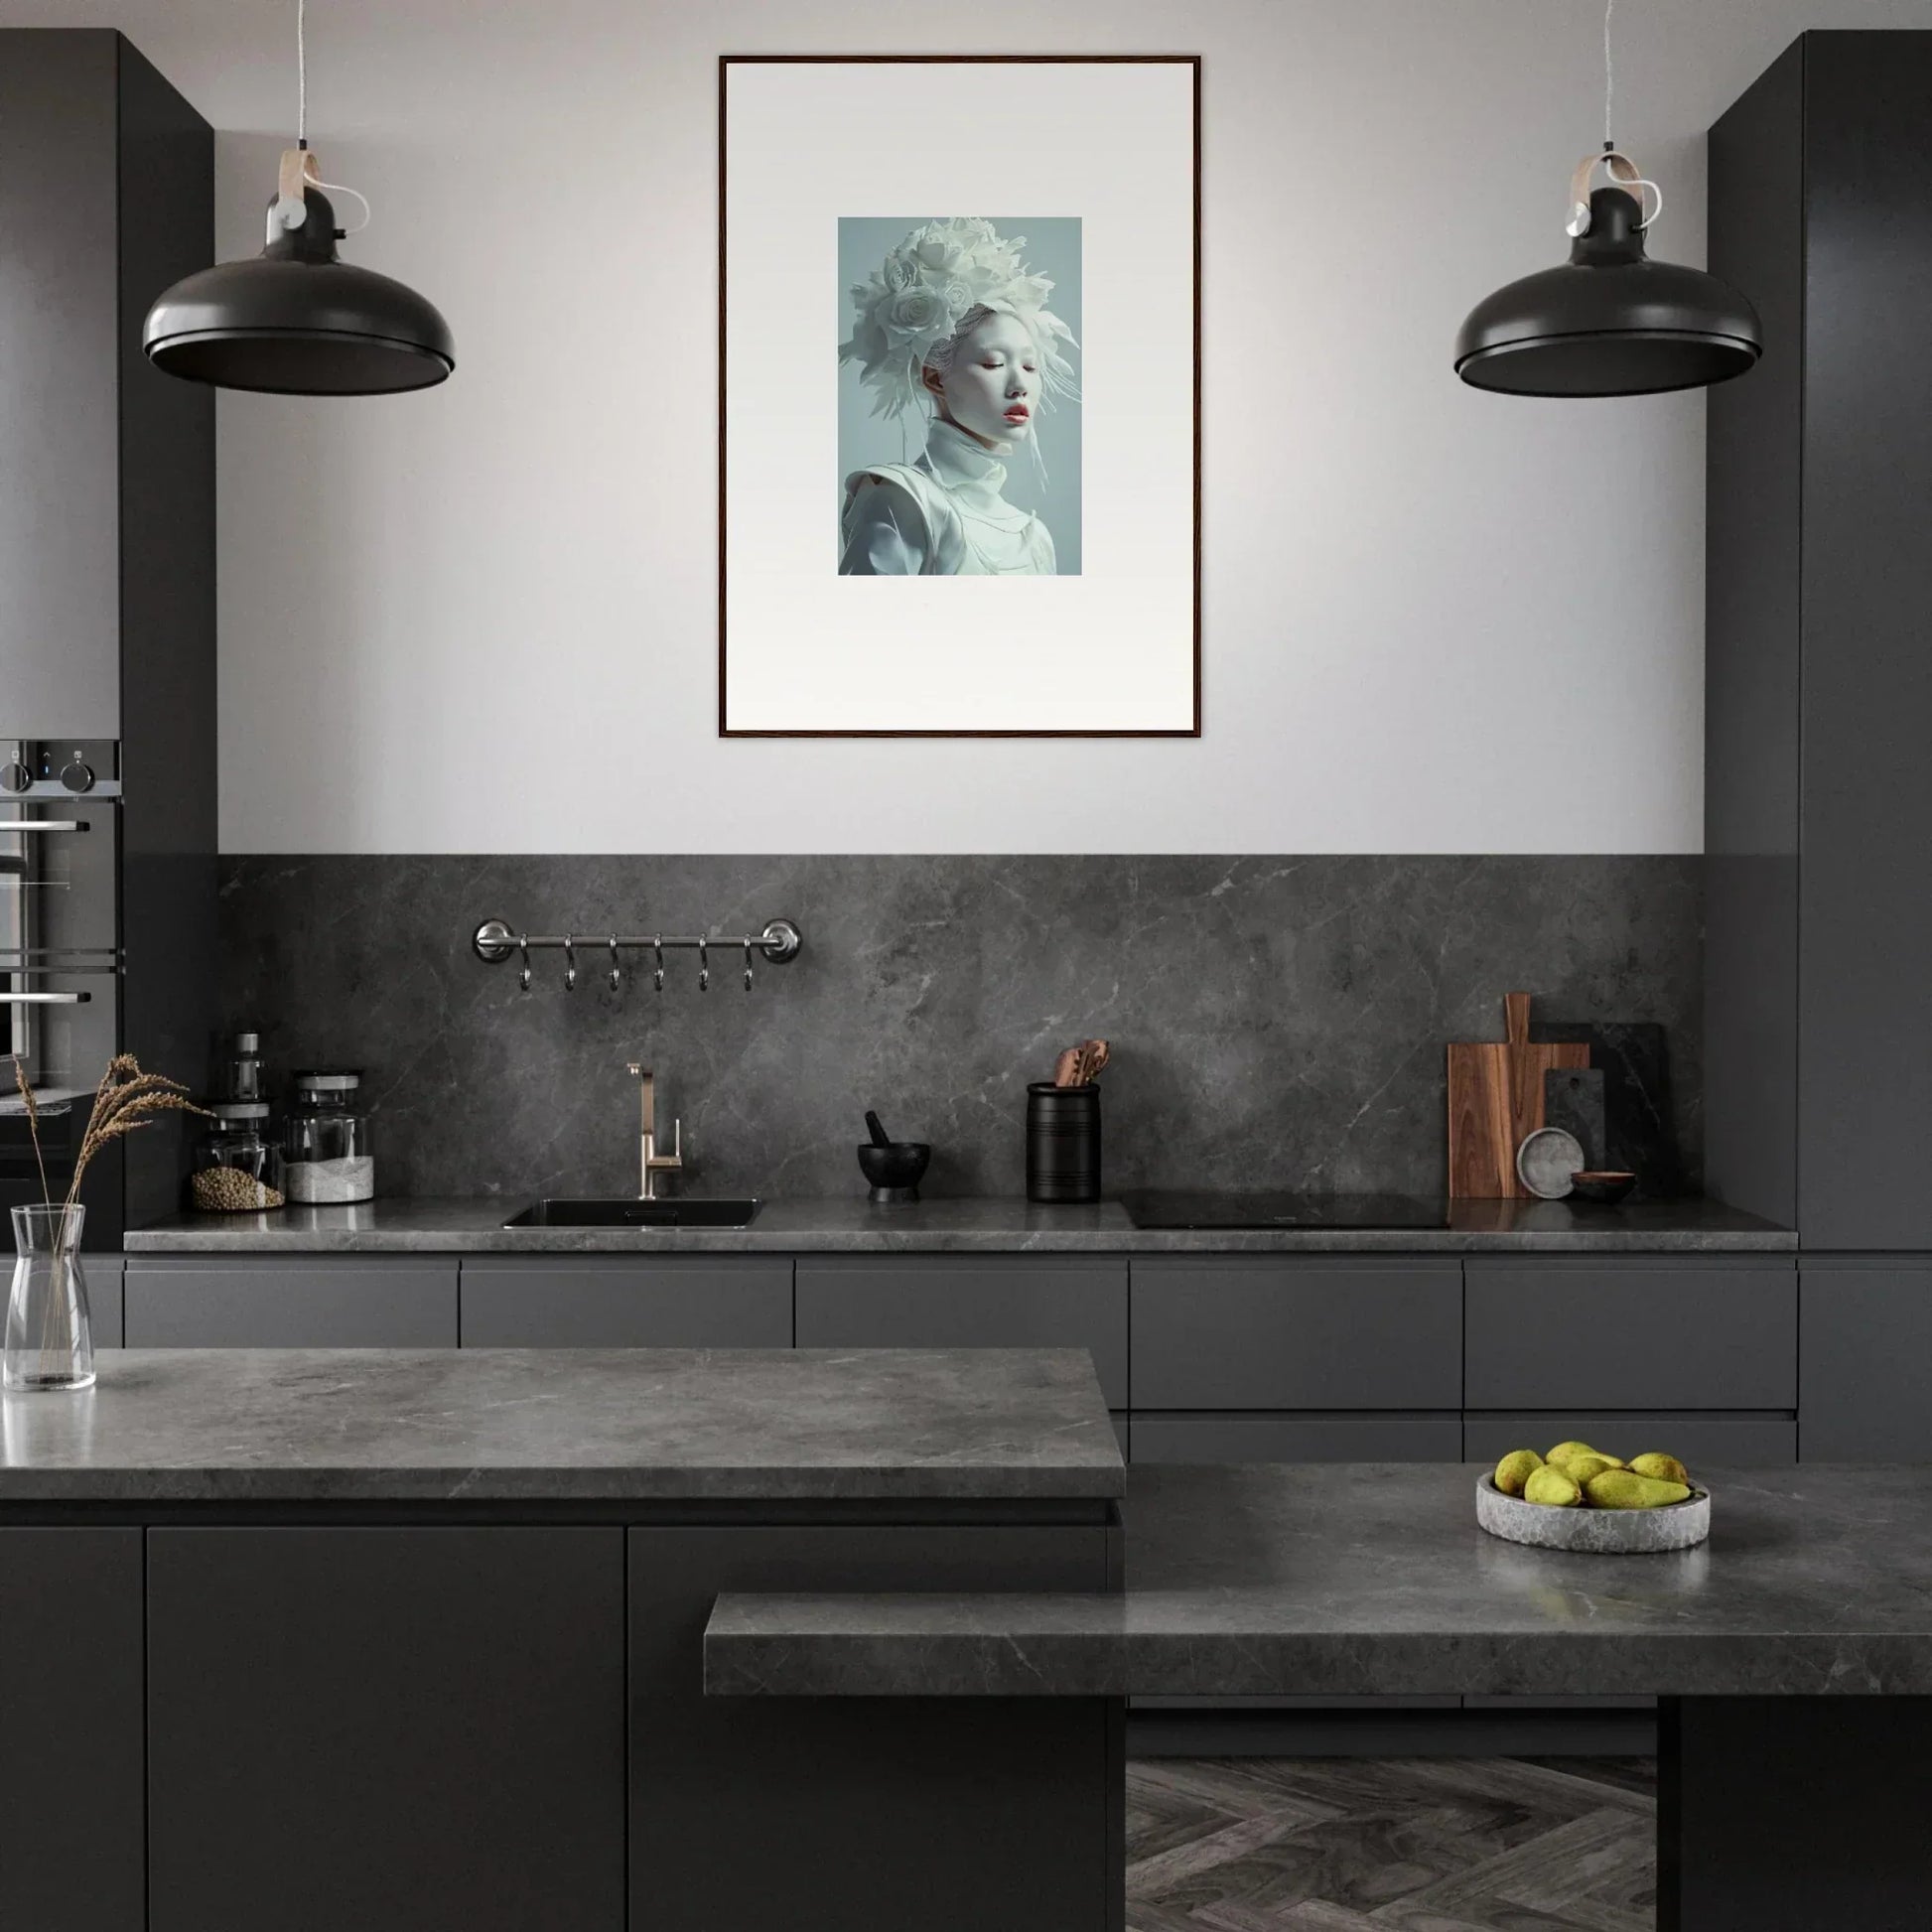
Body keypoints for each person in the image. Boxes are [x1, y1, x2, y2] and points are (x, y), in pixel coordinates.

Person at [838, 217, 1078, 576]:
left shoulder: (1035, 538)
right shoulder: (903, 500)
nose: (1019, 385)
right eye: (994, 363)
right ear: (934, 377)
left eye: (1030, 367)